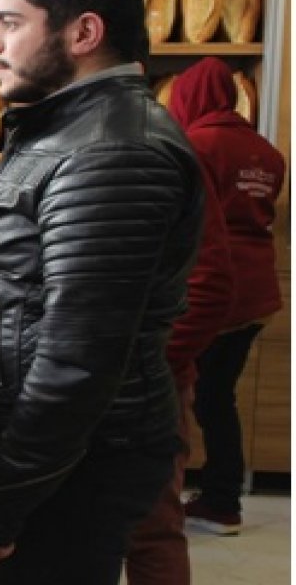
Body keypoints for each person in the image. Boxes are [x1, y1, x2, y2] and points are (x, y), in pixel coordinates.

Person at [0, 0, 205, 584]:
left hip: (83, 457)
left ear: (84, 33)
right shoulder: (69, 128)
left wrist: (3, 501)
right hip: (68, 452)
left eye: (10, 23)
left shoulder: (112, 150)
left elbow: (80, 357)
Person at [169, 56, 286, 536]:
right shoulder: (267, 150)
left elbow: (188, 222)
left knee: (200, 395)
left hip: (217, 287)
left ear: (189, 96)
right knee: (219, 395)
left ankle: (219, 502)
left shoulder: (196, 145)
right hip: (258, 289)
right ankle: (219, 495)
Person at [125, 162, 233, 584]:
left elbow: (211, 285)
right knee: (62, 534)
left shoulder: (162, 154)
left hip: (146, 383)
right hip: (64, 384)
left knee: (152, 528)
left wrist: (154, 361)